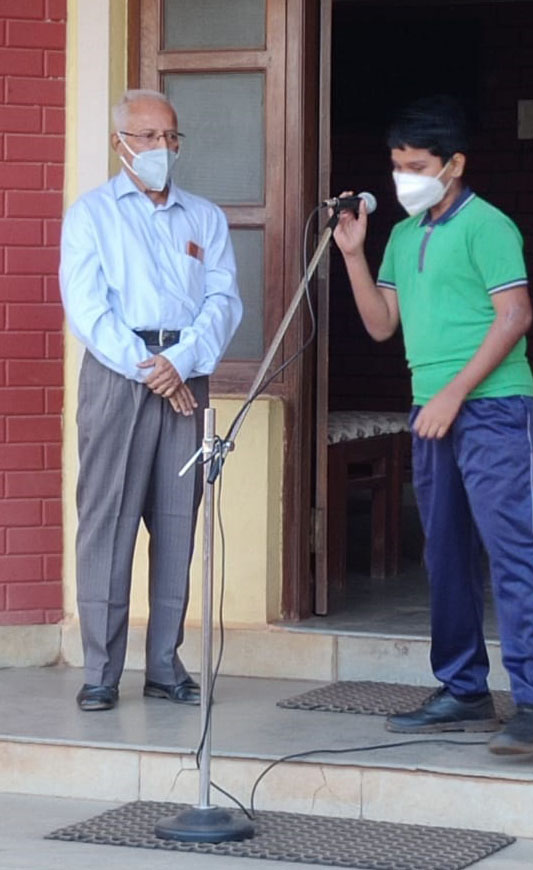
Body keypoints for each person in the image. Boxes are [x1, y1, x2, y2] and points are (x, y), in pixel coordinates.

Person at [332, 95, 533, 755]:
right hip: (431, 411)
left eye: (417, 165)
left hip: (492, 408)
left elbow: (514, 317)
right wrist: (353, 253)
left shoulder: (488, 225)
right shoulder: (404, 236)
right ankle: (464, 689)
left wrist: (455, 394)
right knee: (445, 554)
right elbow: (382, 325)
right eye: (397, 165)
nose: (404, 177)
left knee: (510, 552)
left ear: (454, 164)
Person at [60, 89, 242, 712]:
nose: (162, 148)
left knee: (175, 522)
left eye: (170, 137)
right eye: (148, 137)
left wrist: (181, 362)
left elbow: (223, 301)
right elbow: (88, 309)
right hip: (120, 374)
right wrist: (150, 368)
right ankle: (102, 671)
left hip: (184, 378)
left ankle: (164, 664)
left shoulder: (204, 218)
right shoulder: (91, 216)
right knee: (107, 523)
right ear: (121, 144)